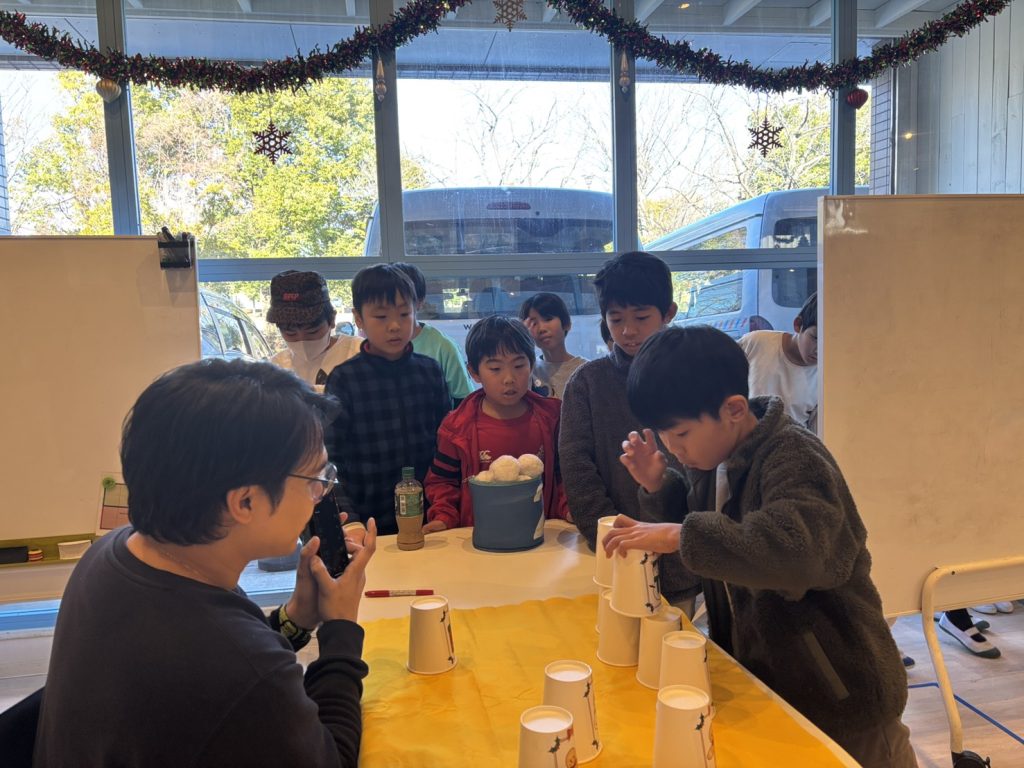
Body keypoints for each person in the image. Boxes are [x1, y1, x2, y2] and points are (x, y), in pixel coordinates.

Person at [34, 359, 377, 767]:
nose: (323, 494)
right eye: (317, 480)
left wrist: (297, 619)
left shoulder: (115, 552)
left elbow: (219, 667)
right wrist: (341, 629)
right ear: (245, 502)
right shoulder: (241, 671)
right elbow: (331, 757)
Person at [604, 326, 917, 768]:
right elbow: (718, 534)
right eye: (664, 435)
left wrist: (679, 535)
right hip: (774, 684)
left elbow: (796, 554)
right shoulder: (715, 457)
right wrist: (660, 487)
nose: (674, 449)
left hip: (844, 695)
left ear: (733, 409)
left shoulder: (794, 455)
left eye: (681, 434)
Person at [559, 251, 700, 612]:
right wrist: (609, 532)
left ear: (668, 312)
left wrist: (688, 538)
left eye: (641, 317)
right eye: (616, 318)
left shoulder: (693, 377)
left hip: (684, 558)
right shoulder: (588, 382)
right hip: (613, 553)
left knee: (674, 636)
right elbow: (576, 464)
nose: (627, 330)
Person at [325, 264, 451, 536]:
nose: (395, 326)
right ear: (359, 318)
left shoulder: (429, 371)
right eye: (381, 316)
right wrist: (350, 520)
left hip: (430, 517)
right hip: (367, 523)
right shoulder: (345, 379)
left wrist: (446, 508)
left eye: (404, 314)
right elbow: (329, 458)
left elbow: (447, 448)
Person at [423, 316, 571, 531]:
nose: (509, 378)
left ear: (531, 365)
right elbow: (442, 481)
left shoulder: (553, 418)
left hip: (541, 536)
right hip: (479, 538)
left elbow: (564, 475)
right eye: (495, 368)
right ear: (474, 372)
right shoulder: (456, 428)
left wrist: (569, 507)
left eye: (519, 365)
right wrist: (443, 516)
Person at [393, 262, 476, 404]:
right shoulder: (373, 348)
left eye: (401, 306)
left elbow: (464, 401)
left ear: (419, 302)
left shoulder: (443, 347)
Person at [266, 270, 361, 388]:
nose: (302, 341)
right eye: (291, 334)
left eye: (312, 332)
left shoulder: (357, 352)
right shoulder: (278, 367)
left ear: (332, 320)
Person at [737, 291, 818, 430]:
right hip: (744, 436)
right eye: (815, 338)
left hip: (790, 441)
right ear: (798, 325)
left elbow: (816, 432)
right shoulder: (756, 343)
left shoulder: (826, 377)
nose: (819, 350)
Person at [518, 292, 586, 399]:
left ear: (566, 324)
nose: (542, 329)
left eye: (548, 319)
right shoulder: (528, 370)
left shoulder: (586, 369)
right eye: (534, 323)